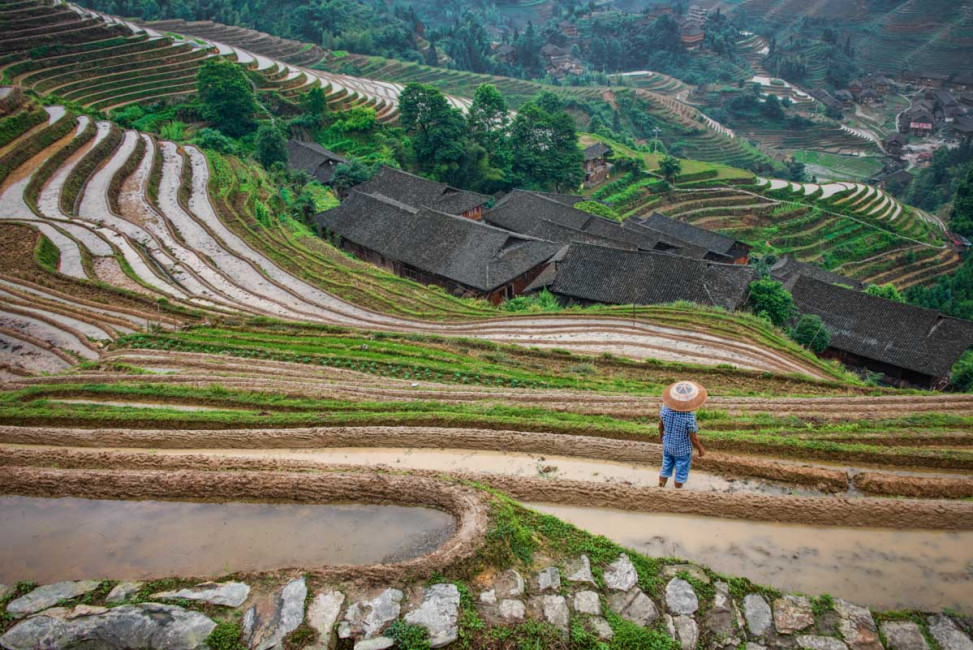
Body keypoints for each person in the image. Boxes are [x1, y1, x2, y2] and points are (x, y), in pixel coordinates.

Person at [658, 380, 707, 488]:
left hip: (668, 446)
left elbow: (661, 425)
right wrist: (700, 449)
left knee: (665, 466)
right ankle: (677, 493)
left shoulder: (665, 409)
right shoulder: (689, 416)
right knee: (681, 471)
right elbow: (693, 438)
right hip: (682, 450)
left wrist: (661, 436)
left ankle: (660, 487)